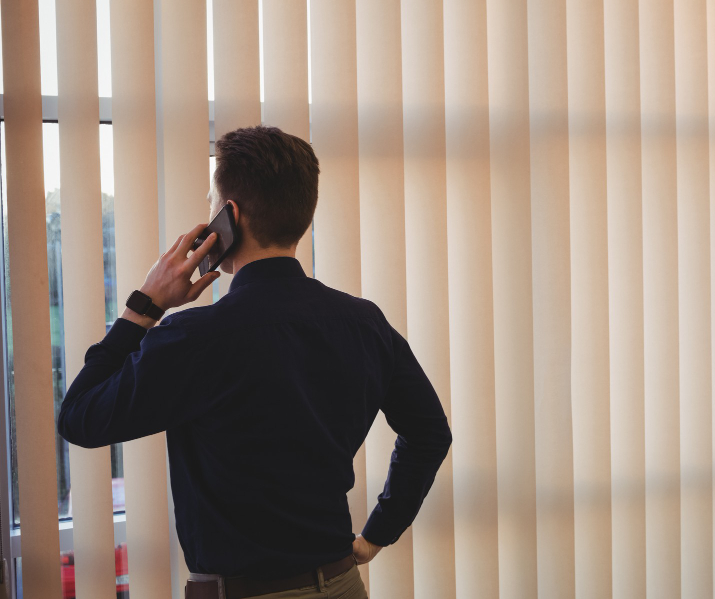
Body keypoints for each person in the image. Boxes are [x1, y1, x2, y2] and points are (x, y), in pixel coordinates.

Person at [58, 125, 452, 599]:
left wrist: (145, 306)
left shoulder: (195, 338)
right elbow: (430, 433)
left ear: (231, 217)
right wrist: (375, 536)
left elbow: (80, 417)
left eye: (212, 204)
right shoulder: (364, 323)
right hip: (344, 584)